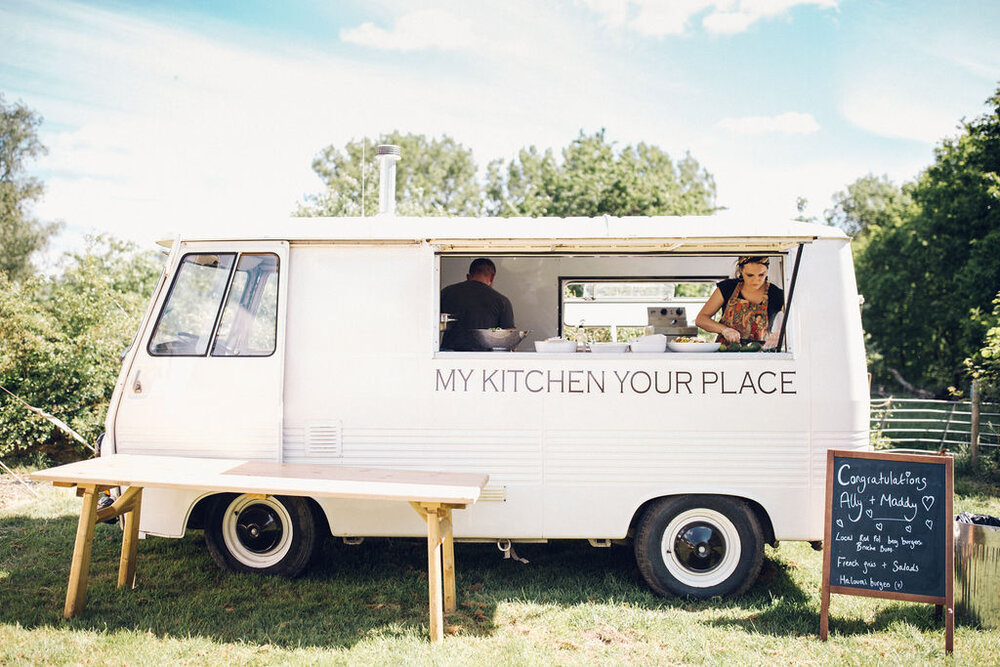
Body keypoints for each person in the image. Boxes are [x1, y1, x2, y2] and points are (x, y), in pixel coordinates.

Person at [695, 256, 785, 348]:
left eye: (761, 275)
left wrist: (781, 333)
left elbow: (796, 320)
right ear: (741, 270)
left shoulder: (776, 293)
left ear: (767, 271)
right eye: (750, 275)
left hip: (760, 356)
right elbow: (701, 319)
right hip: (726, 353)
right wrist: (725, 330)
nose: (756, 280)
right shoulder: (727, 288)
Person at [440, 258, 515, 351]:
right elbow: (509, 339)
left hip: (446, 358)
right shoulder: (501, 301)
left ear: (468, 276)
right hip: (482, 359)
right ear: (492, 277)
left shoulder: (446, 293)